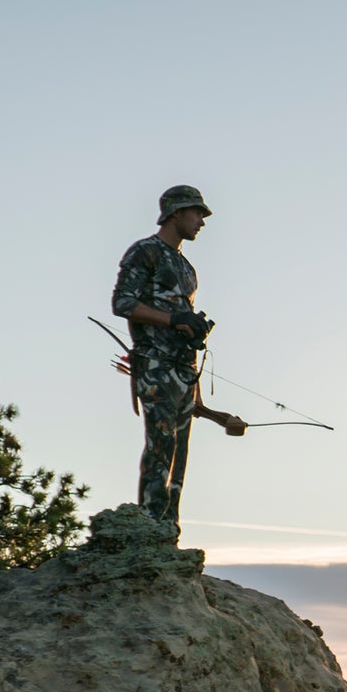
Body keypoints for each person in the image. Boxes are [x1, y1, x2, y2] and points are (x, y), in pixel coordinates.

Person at [112, 184, 244, 524]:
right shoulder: (145, 251)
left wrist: (191, 329)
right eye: (197, 213)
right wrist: (174, 320)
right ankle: (147, 528)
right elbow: (122, 303)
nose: (202, 221)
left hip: (184, 372)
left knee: (178, 457)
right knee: (160, 450)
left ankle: (167, 532)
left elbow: (181, 322)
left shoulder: (187, 268)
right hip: (155, 366)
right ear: (176, 213)